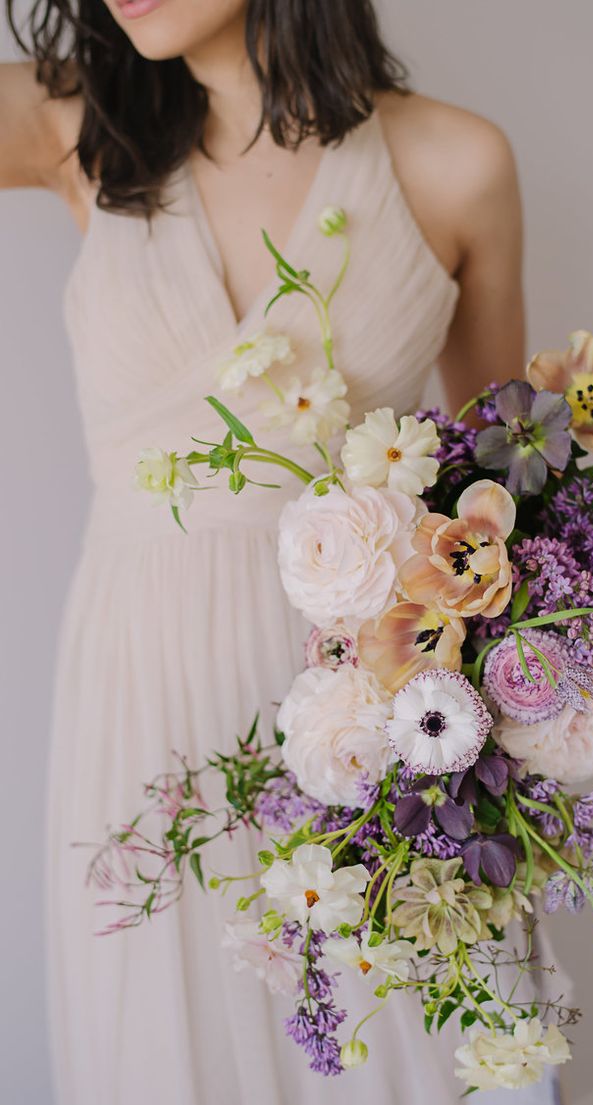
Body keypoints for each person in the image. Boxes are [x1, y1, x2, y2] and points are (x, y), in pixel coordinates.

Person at [1, 2, 563, 1102]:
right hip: (138, 694)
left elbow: (498, 501)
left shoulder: (453, 163)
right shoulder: (80, 127)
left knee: (395, 1036)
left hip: (358, 704)